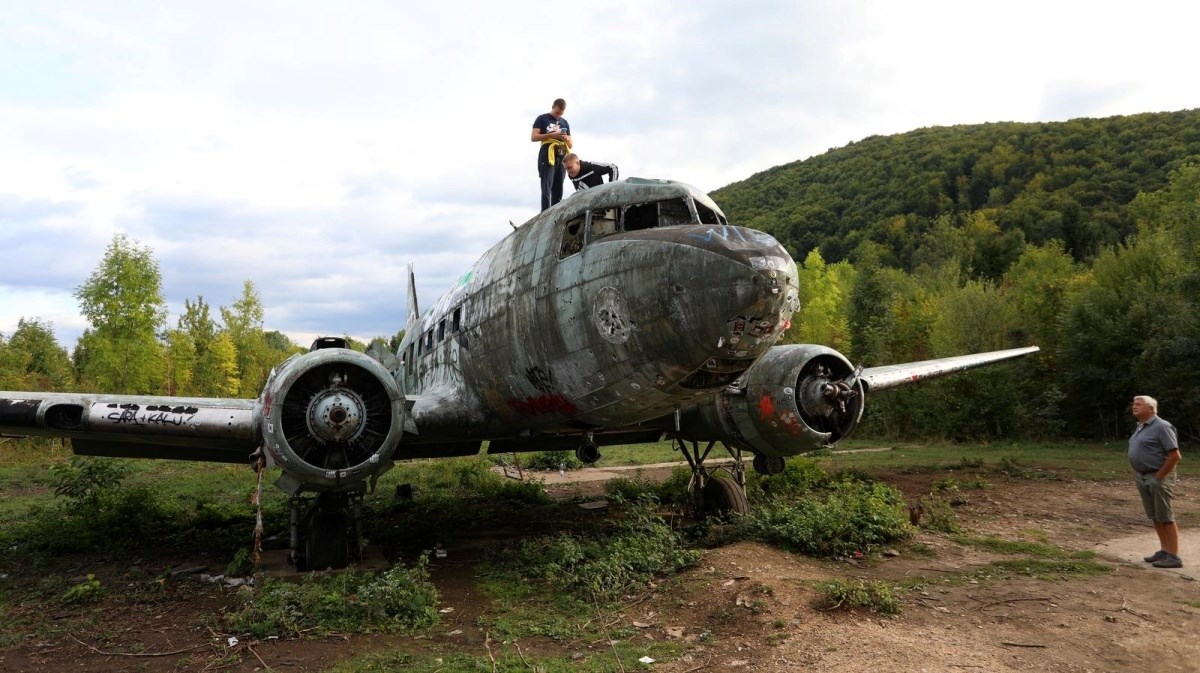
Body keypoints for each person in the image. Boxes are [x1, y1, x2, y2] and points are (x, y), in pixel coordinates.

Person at [1128, 395, 1184, 568]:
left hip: (1158, 477)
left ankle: (1173, 556)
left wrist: (1159, 477)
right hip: (1144, 476)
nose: (1134, 406)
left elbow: (1175, 455)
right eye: (1134, 404)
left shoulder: (1162, 426)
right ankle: (1164, 550)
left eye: (1139, 404)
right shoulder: (1141, 427)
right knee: (1155, 515)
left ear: (1151, 408)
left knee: (1165, 516)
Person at [531, 98, 572, 211]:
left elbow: (571, 144)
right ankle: (545, 213)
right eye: (557, 112)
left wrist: (566, 138)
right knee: (547, 187)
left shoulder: (564, 122)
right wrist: (551, 135)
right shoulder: (542, 118)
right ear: (553, 107)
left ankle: (555, 214)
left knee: (558, 188)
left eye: (561, 113)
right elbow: (534, 137)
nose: (558, 115)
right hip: (548, 152)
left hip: (561, 153)